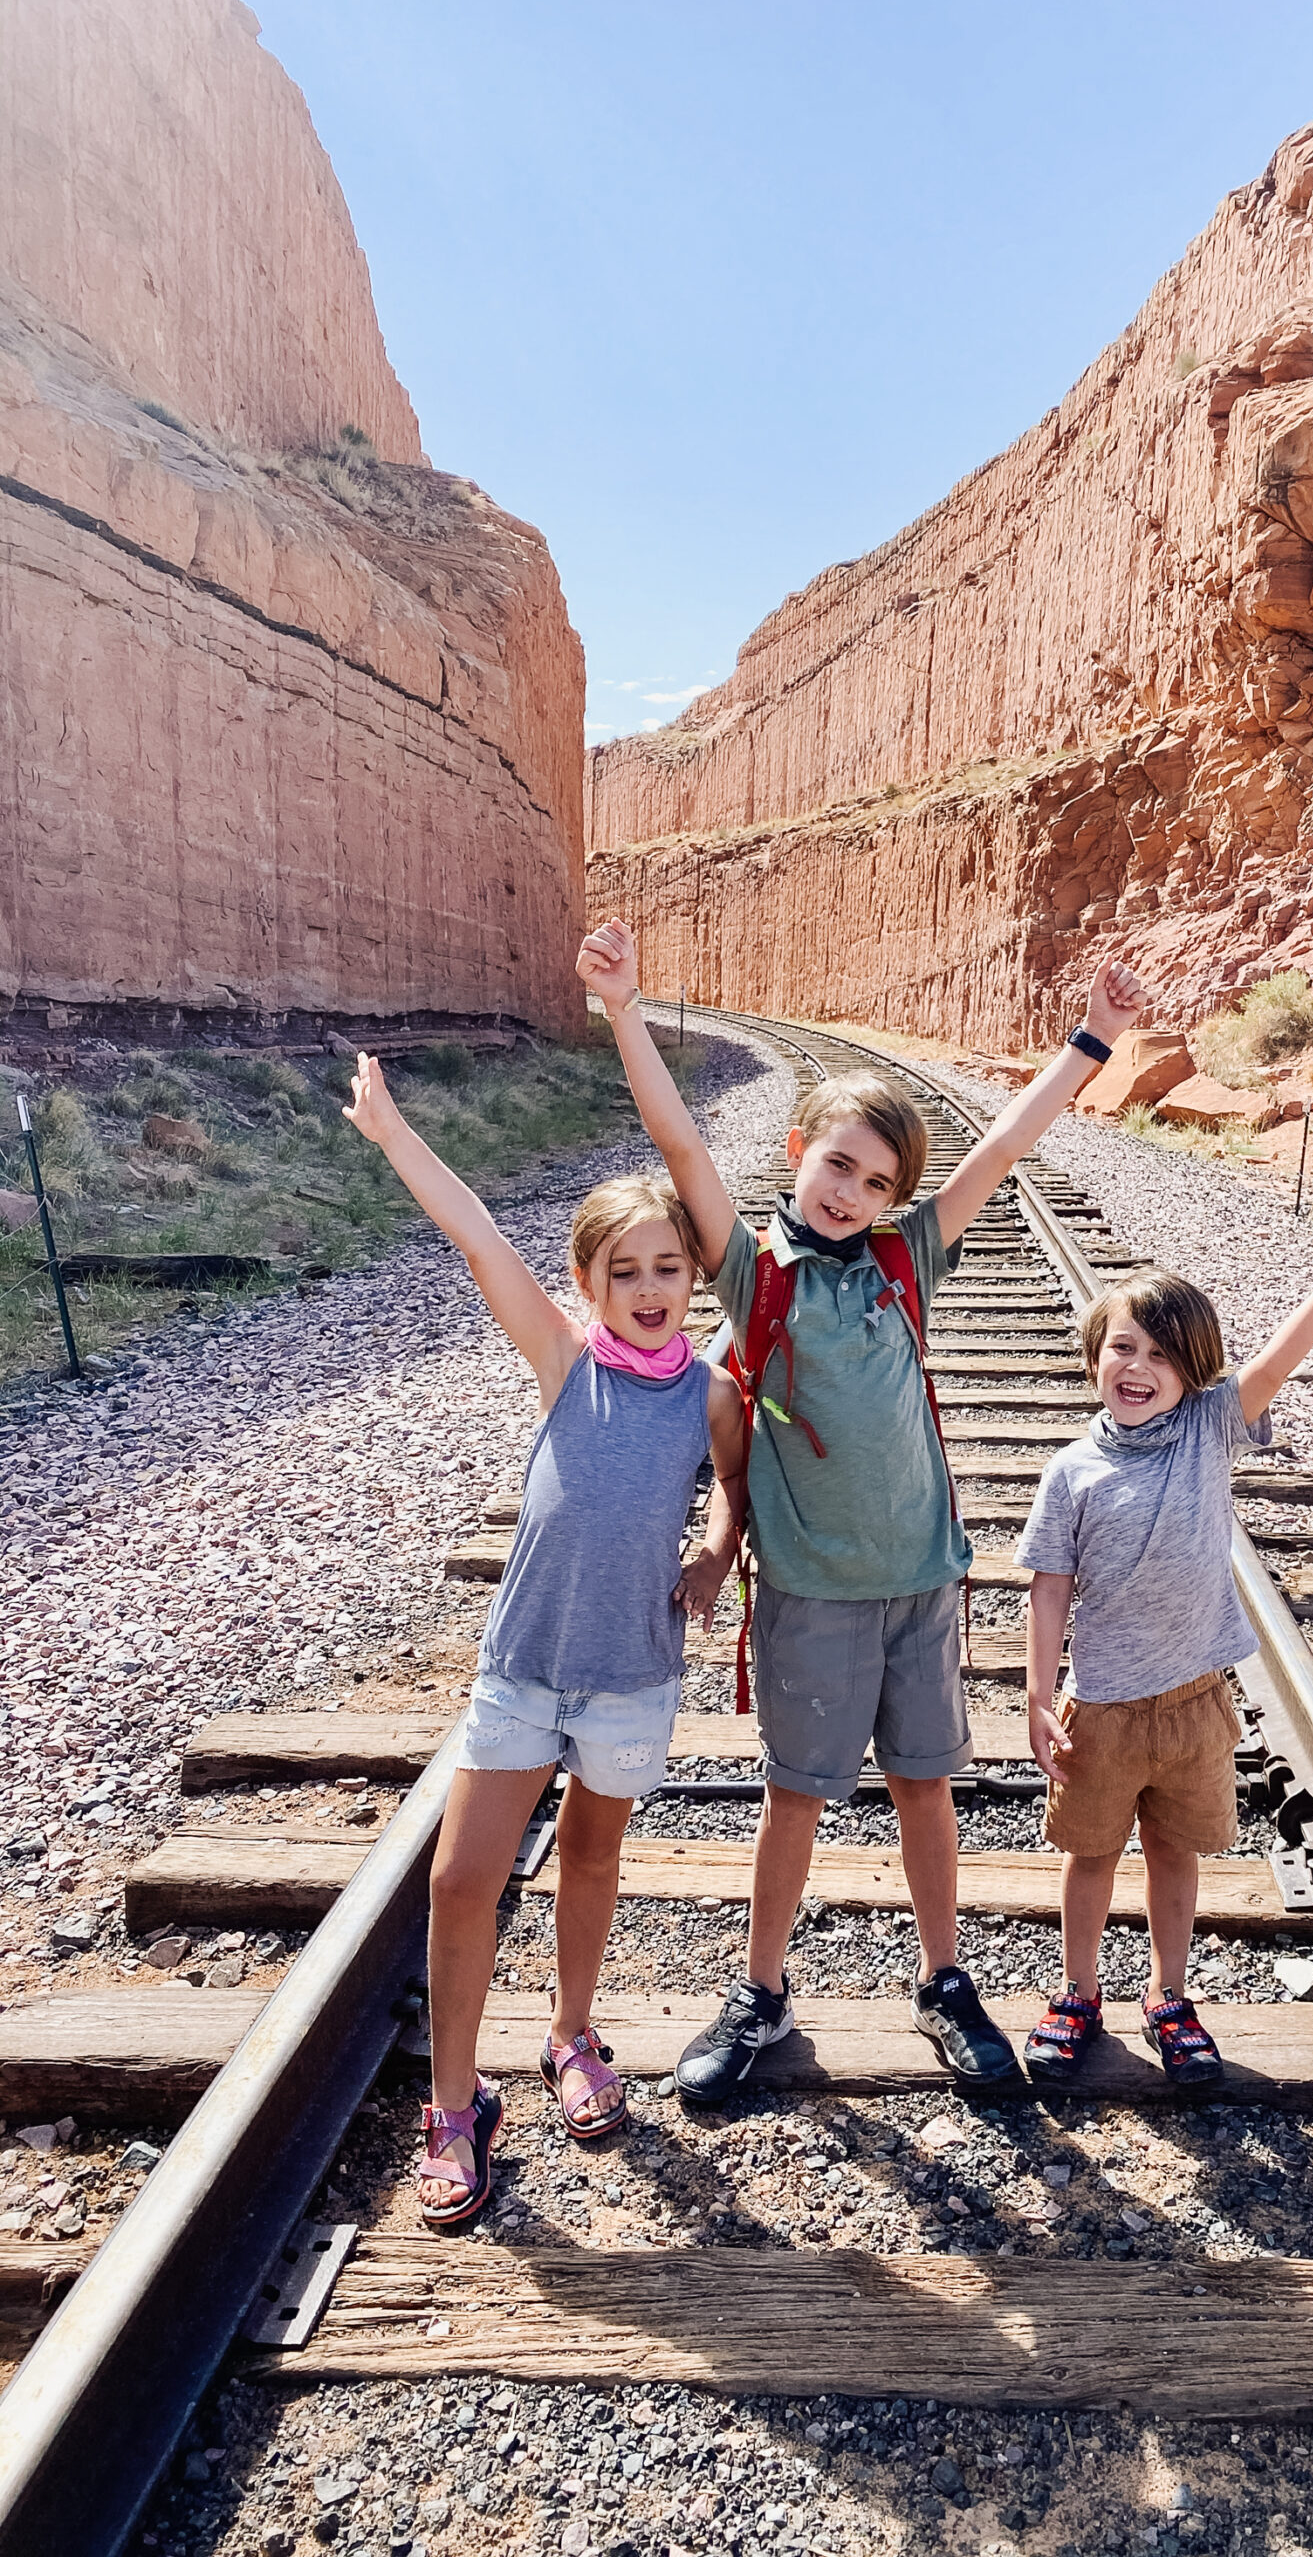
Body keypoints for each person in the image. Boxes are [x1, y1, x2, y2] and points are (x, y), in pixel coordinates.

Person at [574, 919, 1147, 2099]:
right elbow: (677, 1141)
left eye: (878, 1181)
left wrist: (1090, 1039)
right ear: (796, 1151)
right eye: (838, 1166)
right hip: (812, 1590)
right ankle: (763, 1991)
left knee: (928, 1786)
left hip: (922, 1582)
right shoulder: (749, 1266)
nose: (853, 1192)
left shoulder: (905, 1257)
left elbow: (1004, 1146)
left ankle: (944, 1981)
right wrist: (627, 1009)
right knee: (797, 1794)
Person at [342, 1053, 745, 2223]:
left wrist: (715, 1555)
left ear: (692, 1277)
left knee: (591, 1858)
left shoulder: (709, 1390)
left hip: (631, 1672)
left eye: (671, 1266)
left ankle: (571, 2034)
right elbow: (480, 1241)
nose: (653, 1285)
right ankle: (457, 2104)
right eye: (627, 1270)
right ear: (590, 1282)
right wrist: (394, 1135)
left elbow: (733, 1484)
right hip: (525, 1666)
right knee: (465, 1877)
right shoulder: (567, 1361)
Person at [1017, 1224, 1313, 2090]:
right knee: (1090, 1856)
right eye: (1123, 1347)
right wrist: (1038, 1695)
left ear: (1193, 1373)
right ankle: (1076, 1994)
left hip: (1197, 1701)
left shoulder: (1207, 1427)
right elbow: (1047, 1587)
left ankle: (1169, 1996)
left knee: (1174, 1853)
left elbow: (1277, 1362)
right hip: (1107, 1707)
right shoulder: (1072, 1471)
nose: (1138, 1367)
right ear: (1094, 1355)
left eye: (1162, 1355)